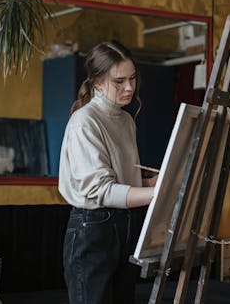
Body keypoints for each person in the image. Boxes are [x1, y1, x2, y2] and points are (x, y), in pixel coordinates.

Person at [58, 40, 157, 304]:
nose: (129, 87)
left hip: (124, 225)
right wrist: (157, 193)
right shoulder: (84, 122)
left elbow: (120, 180)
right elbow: (101, 190)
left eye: (133, 78)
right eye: (119, 81)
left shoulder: (125, 120)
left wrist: (150, 182)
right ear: (98, 82)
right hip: (92, 229)